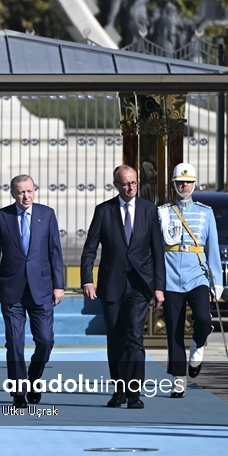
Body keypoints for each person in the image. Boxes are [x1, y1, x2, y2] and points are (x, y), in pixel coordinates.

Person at [81, 165, 165, 409]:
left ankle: (134, 392)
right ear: (116, 185)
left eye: (134, 183)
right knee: (116, 337)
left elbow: (158, 252)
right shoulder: (104, 211)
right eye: (126, 184)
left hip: (140, 284)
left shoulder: (149, 210)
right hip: (112, 284)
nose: (131, 187)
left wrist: (159, 286)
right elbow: (90, 249)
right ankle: (119, 390)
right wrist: (87, 279)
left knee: (134, 335)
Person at [0, 174, 64, 407]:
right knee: (14, 342)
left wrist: (59, 285)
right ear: (13, 194)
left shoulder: (47, 215)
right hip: (12, 290)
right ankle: (19, 392)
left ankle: (33, 379)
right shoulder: (2, 217)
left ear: (34, 191)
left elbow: (55, 251)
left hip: (42, 288)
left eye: (30, 191)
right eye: (21, 192)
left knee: (46, 340)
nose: (26, 196)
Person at [157, 163, 223, 396]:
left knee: (203, 319)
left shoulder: (206, 212)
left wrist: (217, 281)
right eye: (180, 182)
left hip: (198, 275)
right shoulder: (163, 212)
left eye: (188, 182)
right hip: (171, 276)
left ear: (194, 184)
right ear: (173, 184)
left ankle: (198, 344)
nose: (184, 186)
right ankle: (178, 378)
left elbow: (213, 248)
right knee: (174, 329)